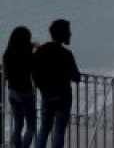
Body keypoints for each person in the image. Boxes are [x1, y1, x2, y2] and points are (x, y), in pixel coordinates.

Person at [33, 19, 81, 148]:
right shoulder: (67, 54)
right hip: (63, 96)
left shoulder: (42, 51)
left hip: (46, 95)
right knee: (59, 131)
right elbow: (77, 77)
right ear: (63, 34)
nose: (71, 34)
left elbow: (34, 71)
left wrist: (41, 87)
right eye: (69, 32)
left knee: (44, 129)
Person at [3, 26, 37, 148]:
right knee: (31, 125)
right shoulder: (27, 54)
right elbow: (34, 68)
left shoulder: (7, 54)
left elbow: (5, 75)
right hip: (26, 91)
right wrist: (35, 49)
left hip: (12, 92)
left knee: (18, 124)